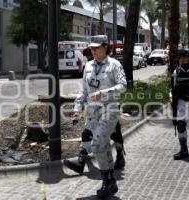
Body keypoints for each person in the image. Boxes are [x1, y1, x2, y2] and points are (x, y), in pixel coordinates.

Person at [69, 35, 127, 198]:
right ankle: (109, 182)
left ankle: (107, 182)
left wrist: (103, 93)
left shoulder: (114, 65)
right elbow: (84, 90)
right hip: (92, 112)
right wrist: (77, 107)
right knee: (102, 146)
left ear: (105, 47)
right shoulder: (88, 66)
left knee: (97, 145)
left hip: (109, 109)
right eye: (91, 48)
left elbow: (123, 86)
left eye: (96, 48)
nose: (93, 51)